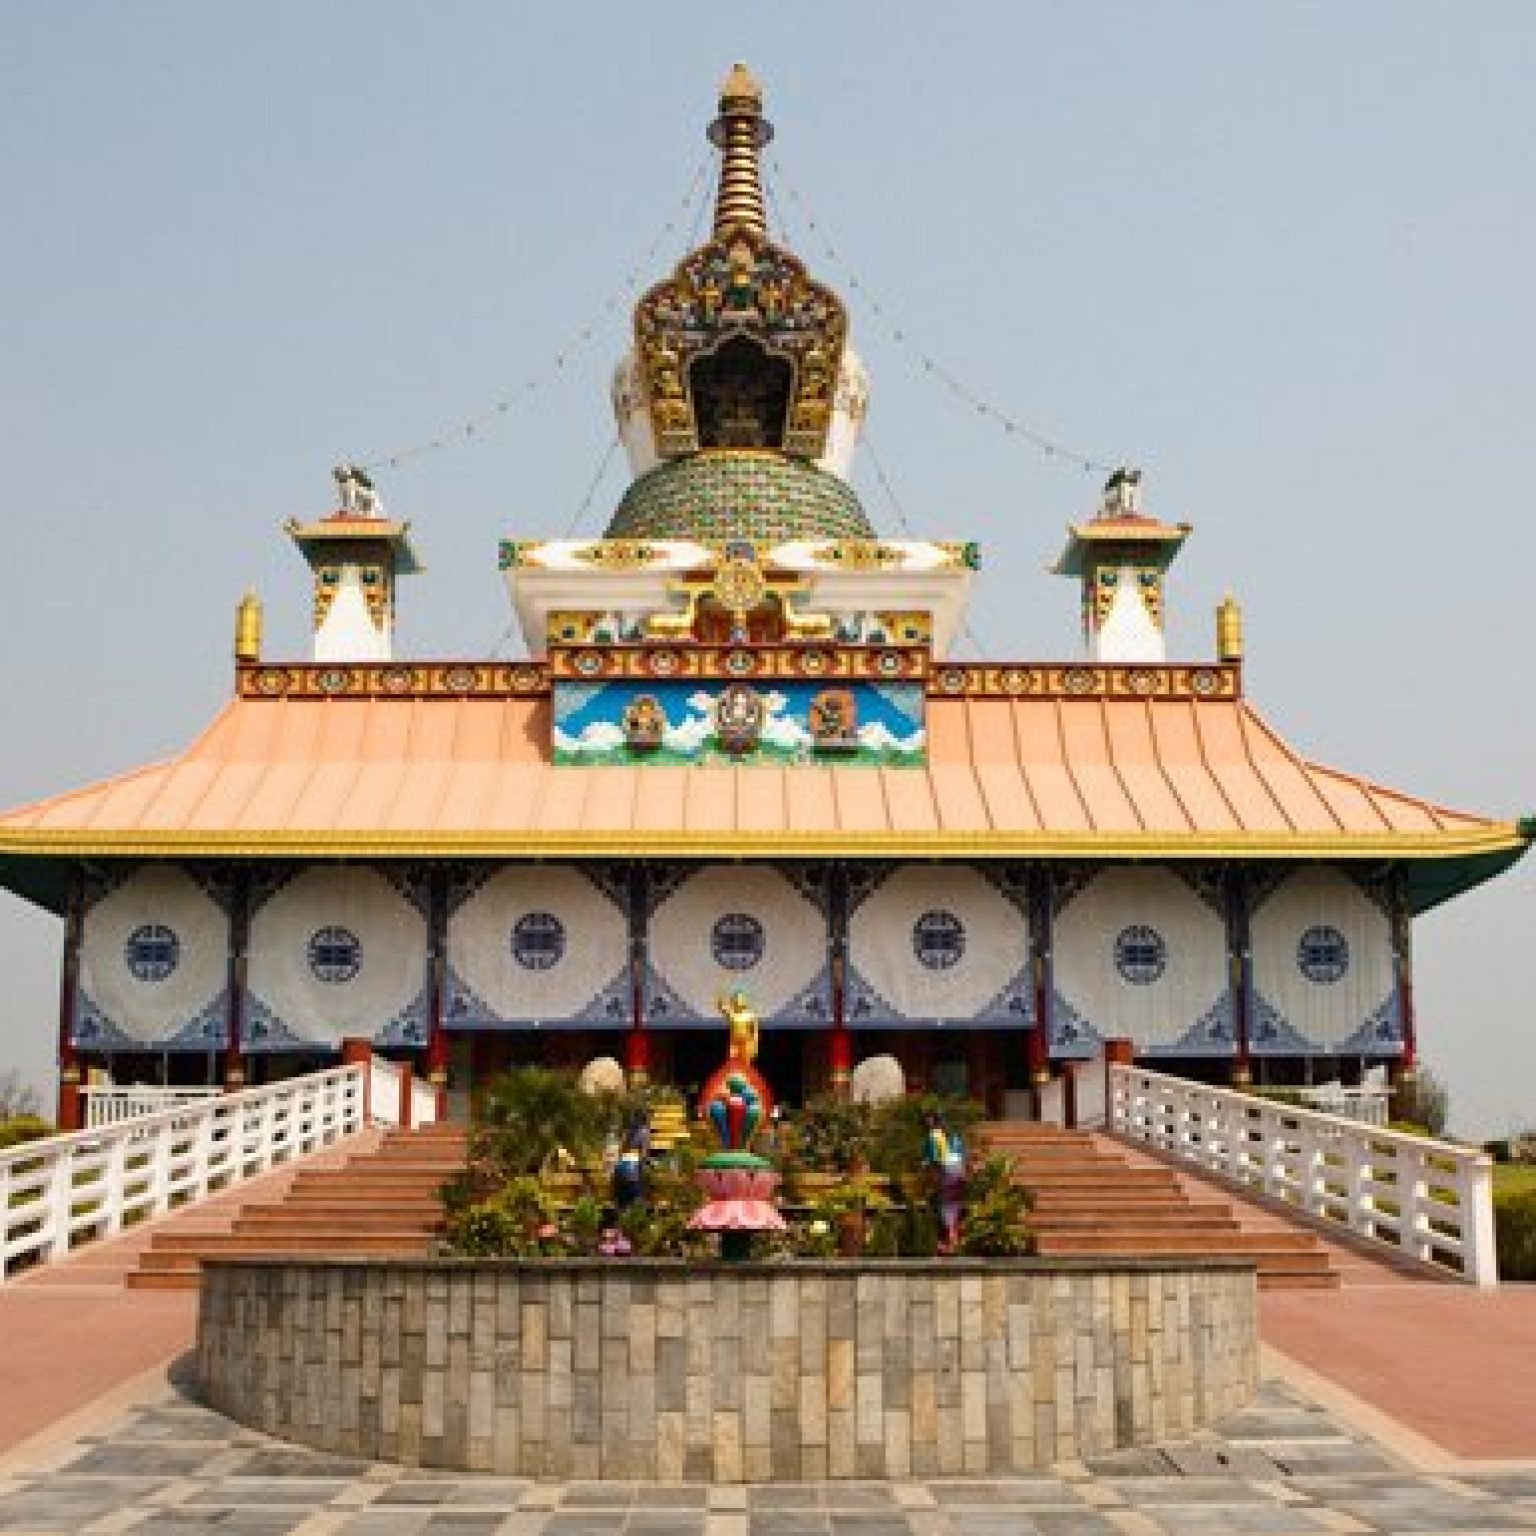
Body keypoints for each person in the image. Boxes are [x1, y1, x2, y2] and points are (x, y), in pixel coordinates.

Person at [923, 1111, 967, 1254]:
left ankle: (951, 1241)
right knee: (953, 1205)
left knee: (945, 1205)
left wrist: (927, 1165)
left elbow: (934, 1159)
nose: (928, 1124)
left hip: (946, 1172)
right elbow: (961, 1154)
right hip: (958, 1171)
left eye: (929, 1122)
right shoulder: (954, 1136)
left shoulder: (933, 1136)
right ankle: (953, 1240)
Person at [611, 1109, 652, 1212]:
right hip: (632, 1172)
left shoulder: (628, 1132)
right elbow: (643, 1155)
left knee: (621, 1206)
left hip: (619, 1171)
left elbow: (621, 1151)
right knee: (635, 1206)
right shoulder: (644, 1132)